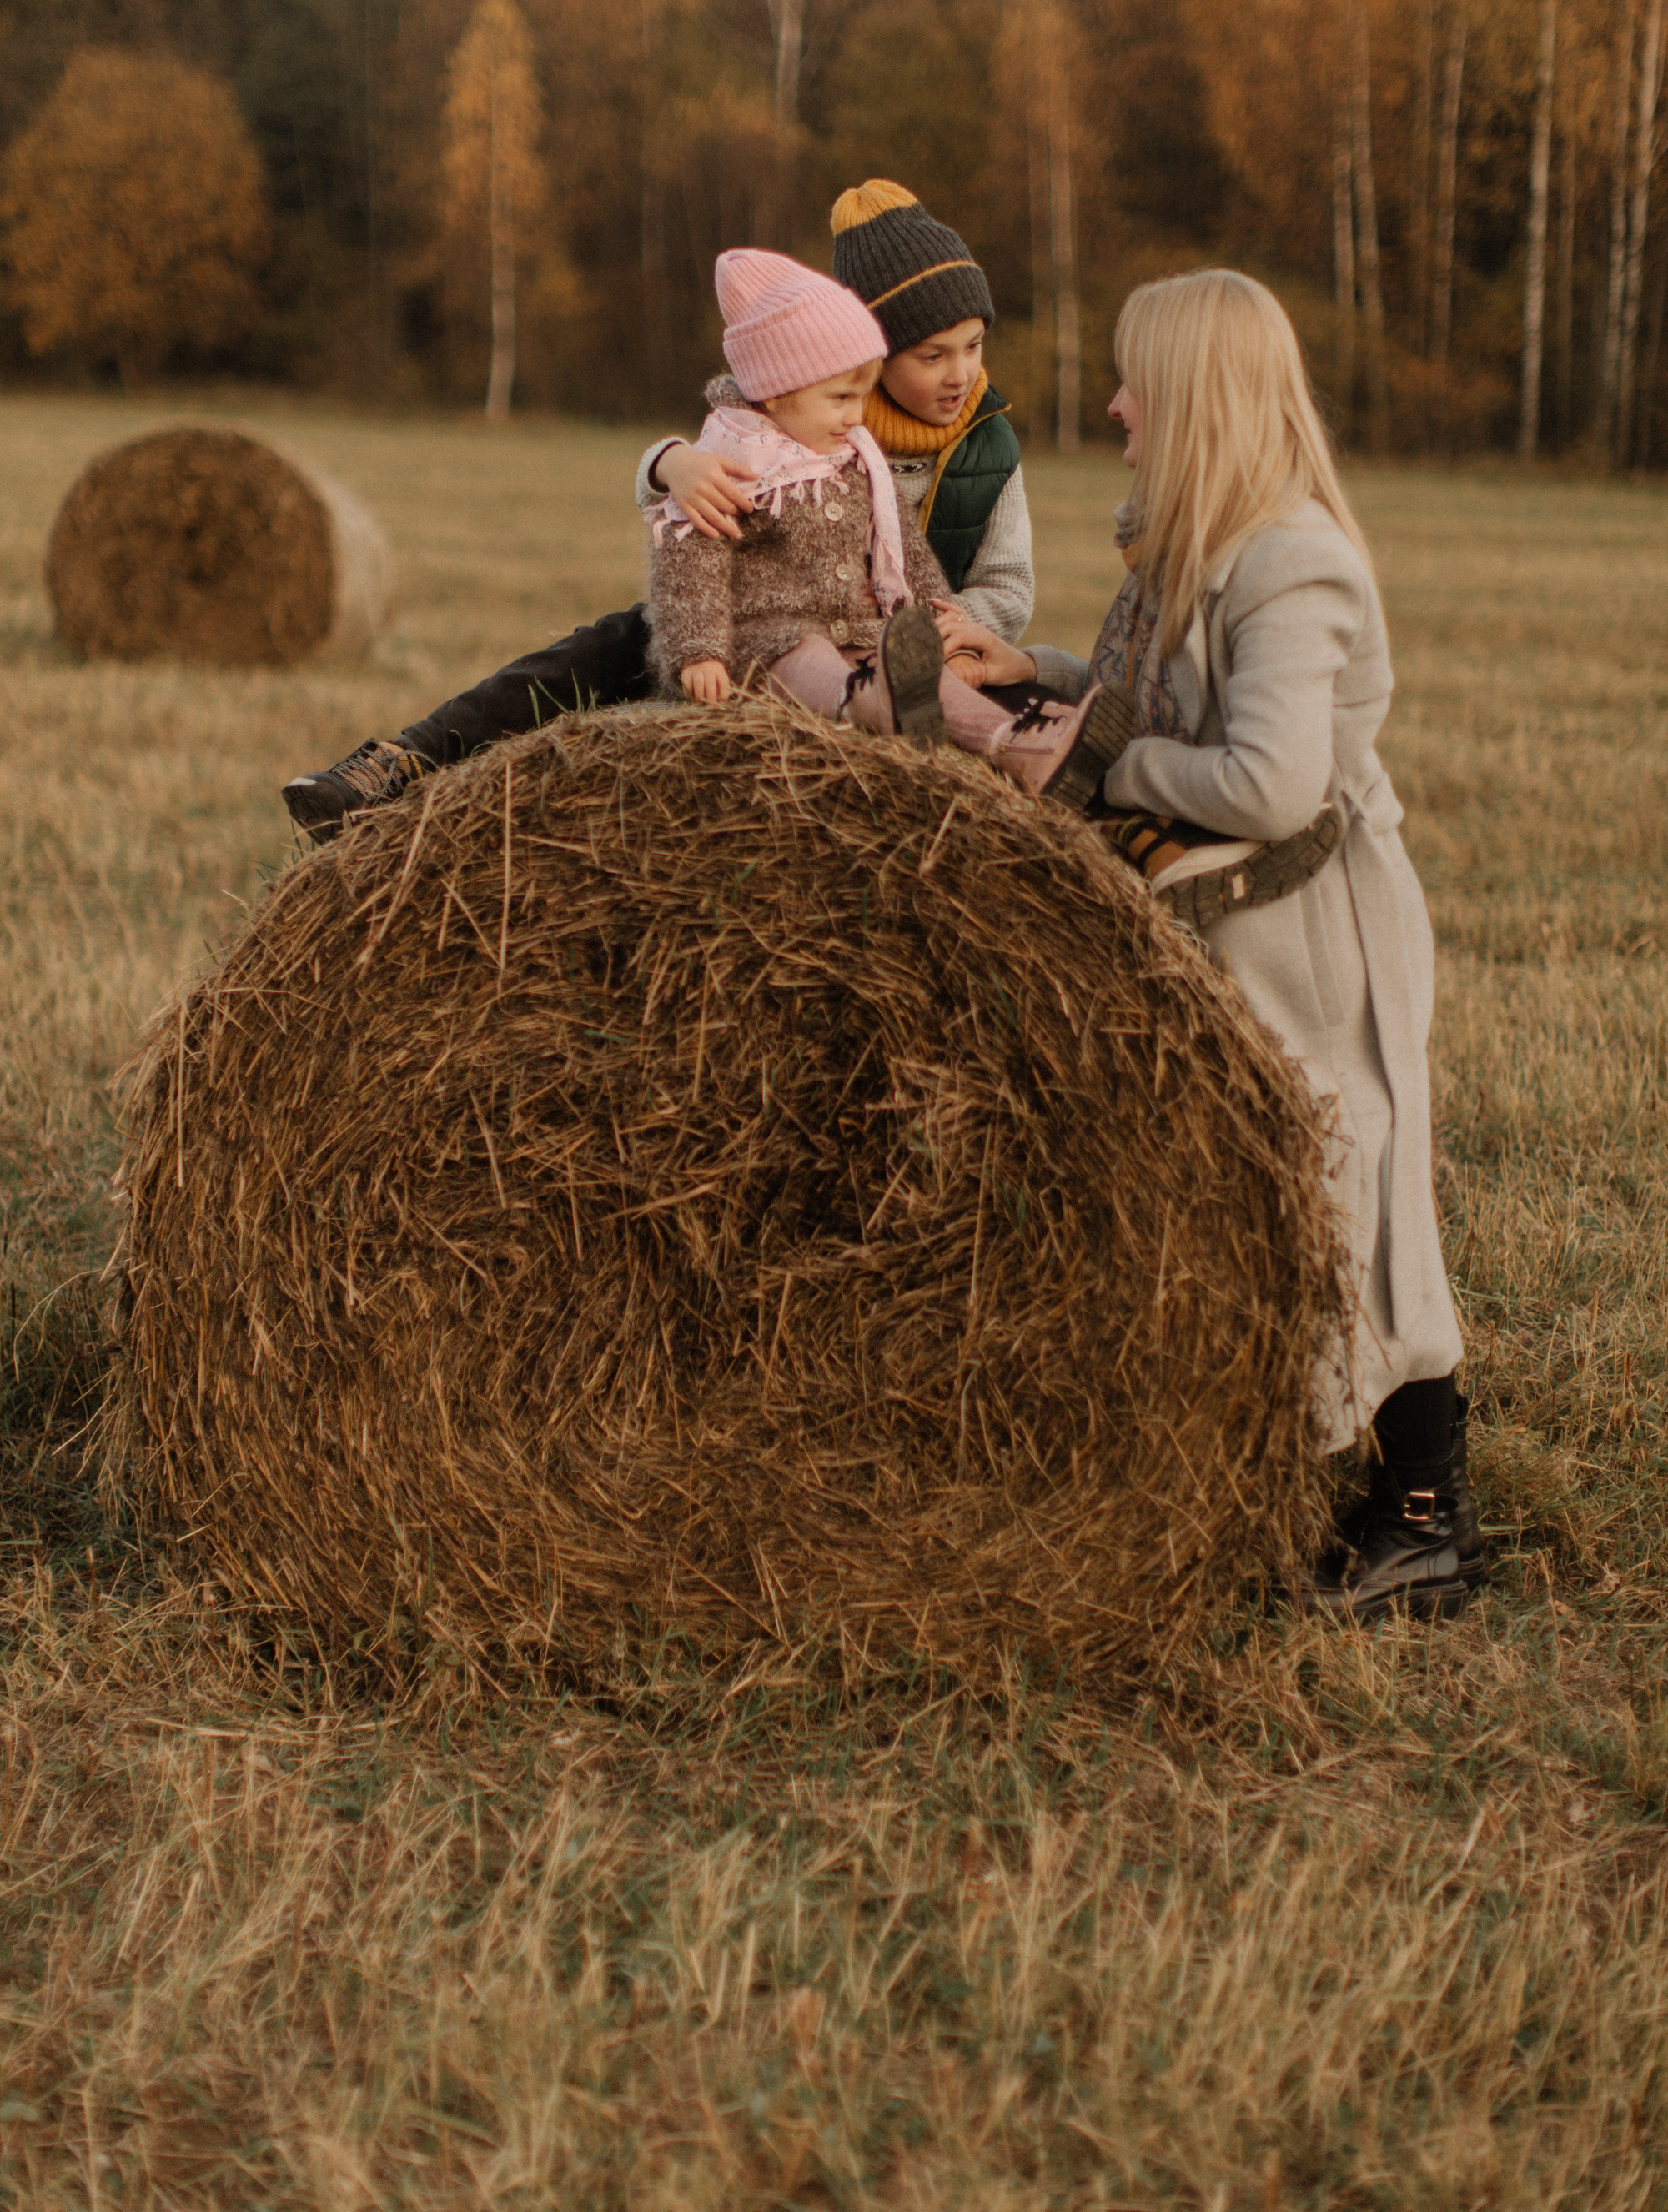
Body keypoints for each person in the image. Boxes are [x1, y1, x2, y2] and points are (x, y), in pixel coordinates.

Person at [938, 268, 1481, 1623]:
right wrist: (1042, 677)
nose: (1116, 405)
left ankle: (1425, 1521)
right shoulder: (1194, 542)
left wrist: (1102, 761)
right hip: (1245, 924)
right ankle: (1343, 1488)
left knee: (1358, 1201)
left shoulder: (1293, 558)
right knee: (1285, 1195)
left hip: (1322, 934)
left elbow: (1268, 784)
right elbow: (1153, 700)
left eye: (1137, 382)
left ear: (1196, 398)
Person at [281, 182, 1037, 840]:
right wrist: (668, 463)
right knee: (608, 644)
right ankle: (404, 762)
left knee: (1037, 709)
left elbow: (1009, 588)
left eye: (973, 346)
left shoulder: (987, 448)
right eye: (931, 355)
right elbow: (695, 481)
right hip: (755, 629)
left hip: (916, 649)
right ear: (864, 357)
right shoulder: (803, 412)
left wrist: (954, 640)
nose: (961, 373)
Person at [651, 246, 1122, 805]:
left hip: (860, 629)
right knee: (811, 661)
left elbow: (902, 545)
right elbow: (688, 568)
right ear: (775, 391)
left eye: (863, 394)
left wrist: (934, 621)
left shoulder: (856, 457)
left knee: (933, 681)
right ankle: (865, 704)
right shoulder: (728, 462)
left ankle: (1022, 746)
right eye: (842, 397)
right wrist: (699, 653)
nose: (857, 414)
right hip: (768, 641)